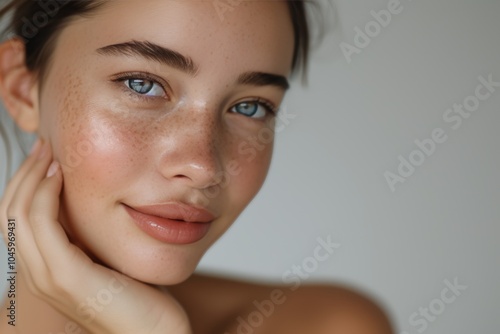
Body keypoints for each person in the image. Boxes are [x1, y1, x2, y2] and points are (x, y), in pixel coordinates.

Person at [0, 0, 394, 333]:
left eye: (250, 107)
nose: (204, 166)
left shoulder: (328, 325)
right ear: (22, 88)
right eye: (142, 85)